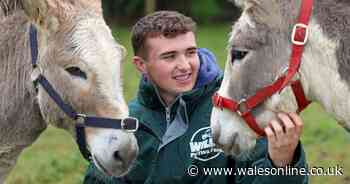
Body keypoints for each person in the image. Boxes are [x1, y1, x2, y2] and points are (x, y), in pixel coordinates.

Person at [84, 11, 308, 184]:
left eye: (191, 52)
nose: (185, 65)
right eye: (169, 56)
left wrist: (282, 163)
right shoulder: (128, 123)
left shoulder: (235, 108)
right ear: (141, 65)